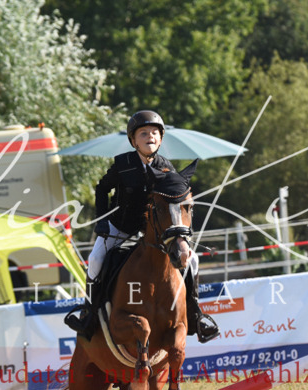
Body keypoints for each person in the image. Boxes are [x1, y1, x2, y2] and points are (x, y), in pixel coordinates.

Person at [64, 110, 219, 342]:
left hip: (155, 233)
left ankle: (195, 313)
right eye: (143, 133)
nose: (150, 137)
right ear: (133, 140)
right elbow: (101, 189)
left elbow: (177, 202)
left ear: (161, 139)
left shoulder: (167, 167)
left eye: (155, 133)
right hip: (121, 228)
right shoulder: (123, 163)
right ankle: (89, 312)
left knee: (192, 259)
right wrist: (102, 220)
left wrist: (182, 233)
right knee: (96, 259)